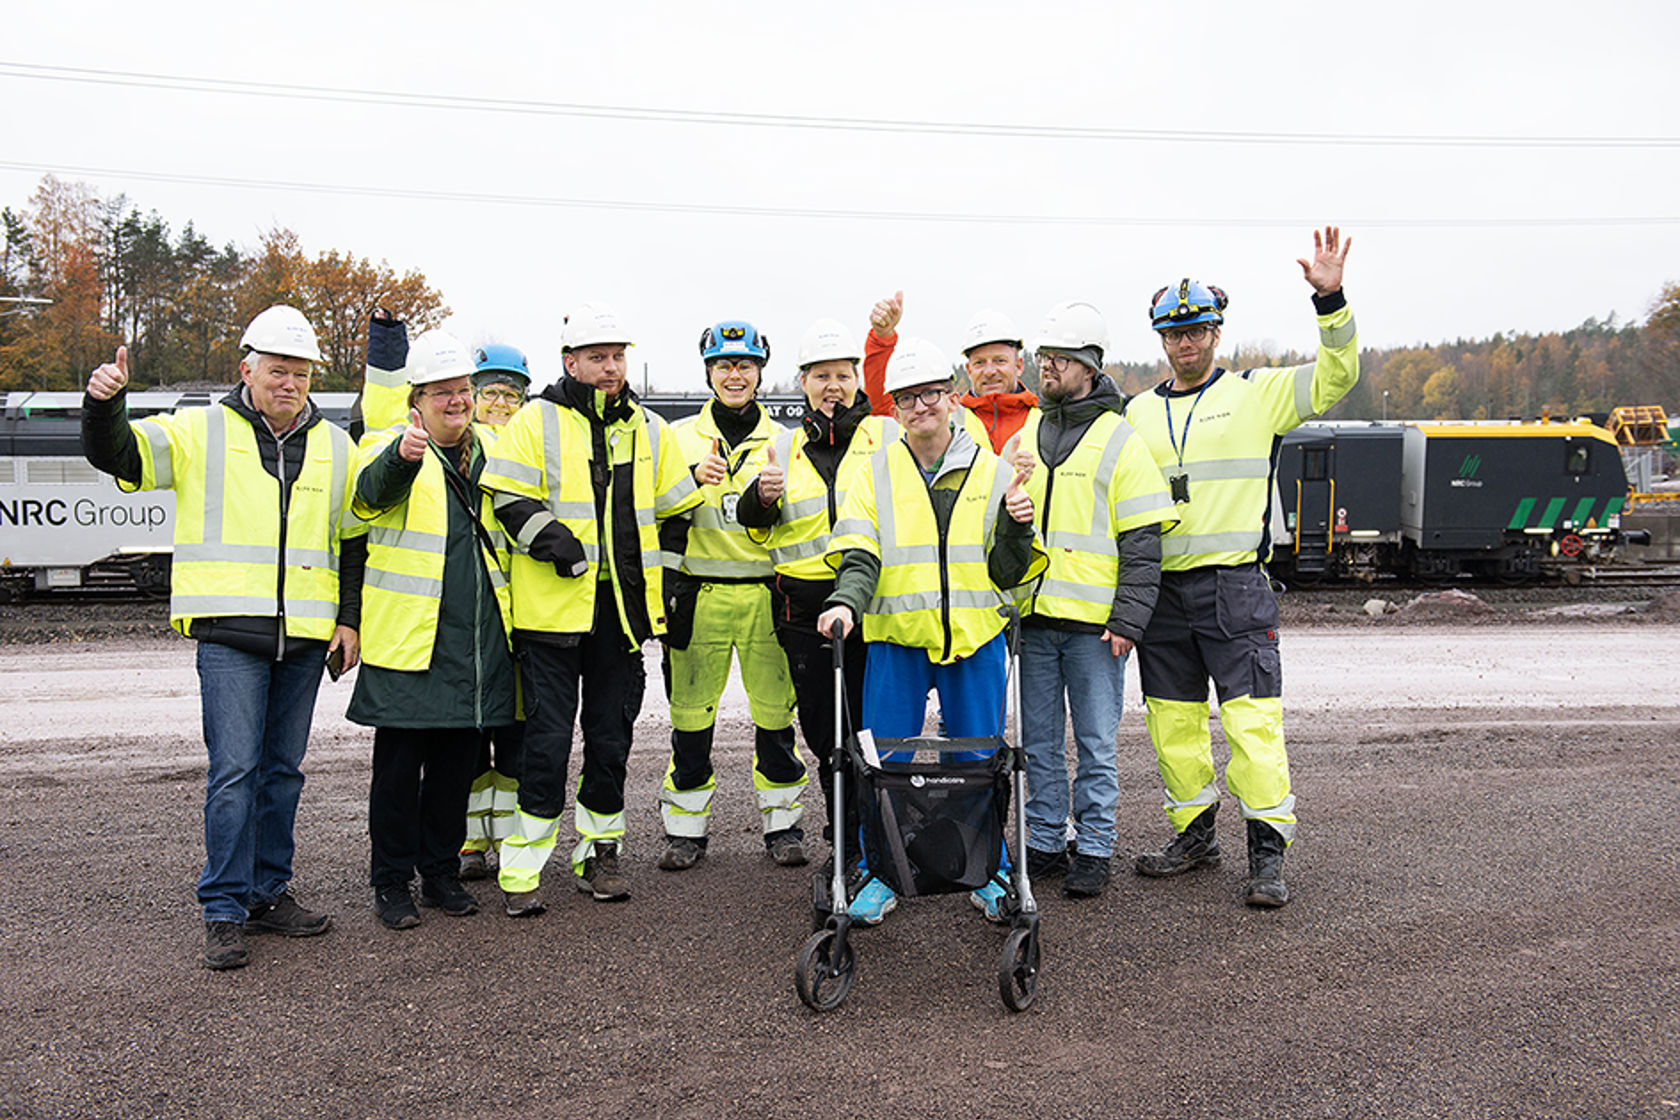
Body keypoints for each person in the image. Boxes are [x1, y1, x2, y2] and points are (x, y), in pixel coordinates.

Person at [80, 305, 366, 971]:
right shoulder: (196, 430)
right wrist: (104, 406)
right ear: (247, 370)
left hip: (304, 635)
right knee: (235, 771)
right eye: (276, 370)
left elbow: (353, 539)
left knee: (283, 773)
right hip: (229, 634)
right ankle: (224, 908)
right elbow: (117, 454)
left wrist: (347, 620)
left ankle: (268, 893)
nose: (289, 383)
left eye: (300, 373)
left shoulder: (333, 444)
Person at [1123, 226, 1358, 908]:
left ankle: (1266, 852)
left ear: (1217, 332)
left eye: (1196, 330)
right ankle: (1194, 835)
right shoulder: (1136, 413)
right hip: (1161, 592)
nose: (1185, 343)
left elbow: (1339, 375)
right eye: (1173, 333)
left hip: (1234, 588)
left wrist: (1332, 300)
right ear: (1161, 340)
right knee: (1174, 724)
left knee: (1251, 724)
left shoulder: (1261, 394)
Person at [816, 337, 1046, 925]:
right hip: (896, 638)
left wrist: (1018, 526)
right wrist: (845, 603)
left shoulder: (995, 473)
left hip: (974, 640)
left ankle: (987, 870)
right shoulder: (871, 474)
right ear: (894, 408)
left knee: (979, 763)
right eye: (908, 398)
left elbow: (1009, 570)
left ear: (952, 397)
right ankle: (880, 872)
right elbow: (859, 552)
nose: (921, 406)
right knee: (882, 764)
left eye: (931, 394)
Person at [479, 301, 699, 914]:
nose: (610, 367)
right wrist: (562, 548)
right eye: (598, 357)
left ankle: (599, 855)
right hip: (551, 616)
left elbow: (678, 512)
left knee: (610, 742)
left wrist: (672, 586)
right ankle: (522, 872)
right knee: (545, 744)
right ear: (570, 361)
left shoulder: (650, 429)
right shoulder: (533, 421)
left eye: (618, 357)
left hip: (624, 618)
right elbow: (509, 500)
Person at [347, 330, 517, 930]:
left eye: (463, 390)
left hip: (477, 641)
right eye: (441, 392)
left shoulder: (495, 447)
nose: (456, 401)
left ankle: (440, 871)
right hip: (411, 641)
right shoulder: (388, 444)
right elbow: (366, 497)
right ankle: (391, 881)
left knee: (454, 769)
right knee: (397, 775)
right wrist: (403, 458)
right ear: (415, 401)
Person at [1014, 301, 1175, 899]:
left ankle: (1097, 845)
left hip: (1096, 630)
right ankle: (1047, 839)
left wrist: (1129, 619)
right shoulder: (1028, 432)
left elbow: (1142, 543)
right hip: (1033, 622)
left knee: (1096, 745)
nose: (1046, 368)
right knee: (1039, 743)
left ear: (1089, 365)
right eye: (1044, 358)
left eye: (1059, 359)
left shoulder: (1120, 440)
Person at [735, 317, 896, 863]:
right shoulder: (780, 447)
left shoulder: (886, 436)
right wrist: (762, 495)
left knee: (872, 735)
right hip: (803, 613)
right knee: (826, 736)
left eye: (843, 375)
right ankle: (845, 841)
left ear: (857, 380)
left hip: (874, 606)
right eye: (821, 375)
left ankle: (877, 840)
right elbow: (754, 524)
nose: (834, 386)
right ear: (802, 381)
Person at [657, 321, 805, 870]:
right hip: (700, 595)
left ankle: (784, 826)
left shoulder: (786, 441)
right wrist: (690, 477)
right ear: (709, 373)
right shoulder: (676, 439)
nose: (735, 374)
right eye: (724, 365)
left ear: (761, 372)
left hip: (767, 595)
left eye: (744, 365)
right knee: (690, 721)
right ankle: (685, 832)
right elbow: (651, 509)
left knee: (774, 720)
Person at [456, 342, 531, 882]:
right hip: (475, 614)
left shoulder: (533, 446)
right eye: (491, 392)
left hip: (525, 613)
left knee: (515, 737)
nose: (501, 402)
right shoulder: (462, 447)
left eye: (512, 392)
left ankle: (505, 841)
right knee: (465, 738)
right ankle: (467, 842)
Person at [863, 291, 1038, 453]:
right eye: (979, 363)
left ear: (1019, 366)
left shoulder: (1043, 422)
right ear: (968, 370)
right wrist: (882, 338)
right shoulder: (944, 414)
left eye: (1000, 361)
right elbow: (883, 405)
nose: (990, 371)